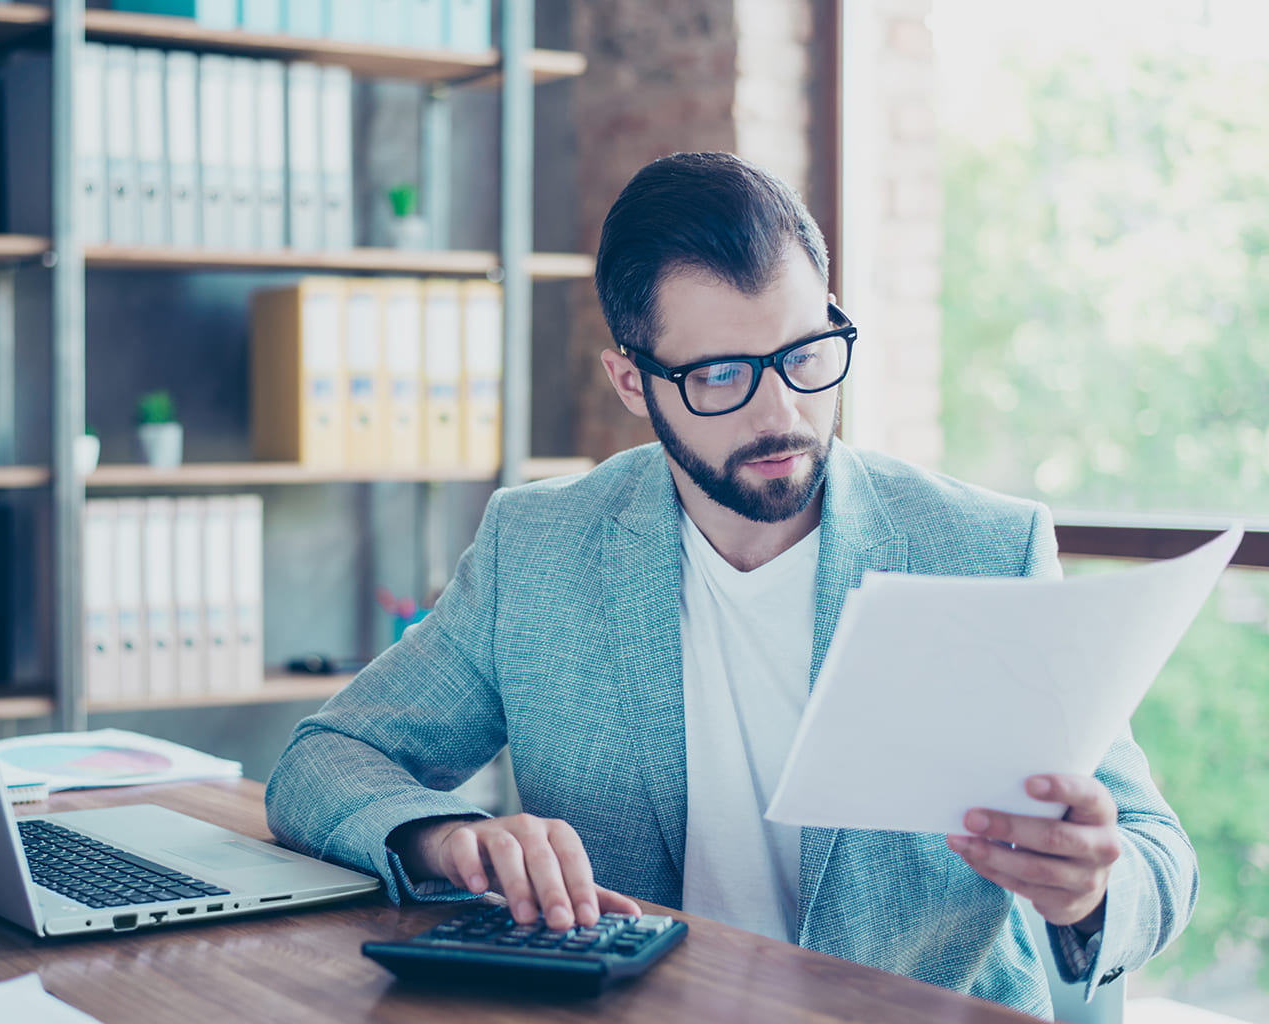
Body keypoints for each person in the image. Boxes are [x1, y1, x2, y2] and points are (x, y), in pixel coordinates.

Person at [264, 151, 1196, 1017]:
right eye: (719, 374)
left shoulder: (981, 548)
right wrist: (443, 837)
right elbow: (324, 758)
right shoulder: (538, 547)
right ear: (633, 382)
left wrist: (1093, 888)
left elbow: (1158, 850)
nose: (782, 411)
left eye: (804, 355)